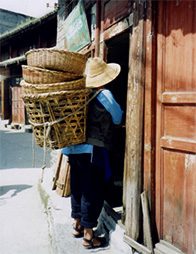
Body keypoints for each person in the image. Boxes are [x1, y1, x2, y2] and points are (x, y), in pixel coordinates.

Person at [61, 57, 123, 249]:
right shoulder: (104, 95)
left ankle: (77, 226)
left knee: (77, 187)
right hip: (92, 150)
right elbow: (118, 116)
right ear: (104, 77)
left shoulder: (78, 94)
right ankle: (89, 237)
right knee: (92, 191)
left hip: (73, 149)